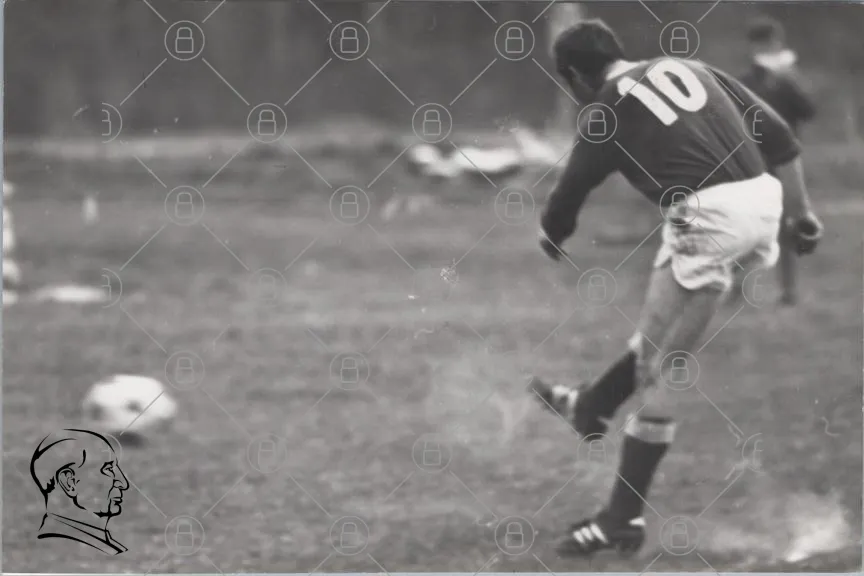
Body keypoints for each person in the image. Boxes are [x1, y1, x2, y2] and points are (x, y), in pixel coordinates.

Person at [529, 20, 822, 557]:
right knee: (656, 340)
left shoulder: (605, 107)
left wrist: (552, 233)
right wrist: (801, 215)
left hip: (707, 216)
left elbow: (572, 187)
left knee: (664, 372)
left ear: (575, 77)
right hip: (762, 201)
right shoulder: (691, 66)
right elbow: (780, 136)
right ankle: (592, 405)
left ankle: (621, 520)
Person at [733, 17, 816, 306]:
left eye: (773, 42)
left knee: (787, 224)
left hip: (786, 162)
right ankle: (736, 286)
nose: (770, 47)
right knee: (747, 226)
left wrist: (790, 80)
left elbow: (808, 111)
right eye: (763, 43)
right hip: (755, 160)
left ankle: (788, 290)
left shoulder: (788, 77)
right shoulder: (746, 80)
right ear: (753, 46)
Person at [30, 429, 129, 555]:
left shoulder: (106, 547)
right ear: (69, 482)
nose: (123, 483)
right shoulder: (62, 551)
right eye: (108, 469)